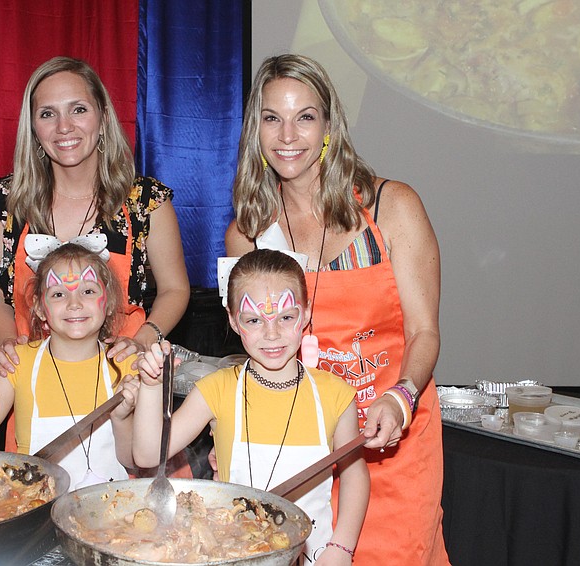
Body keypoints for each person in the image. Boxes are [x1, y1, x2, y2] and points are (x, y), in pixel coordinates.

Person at [224, 54, 448, 564]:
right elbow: (257, 351)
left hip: (391, 435)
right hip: (299, 447)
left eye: (305, 116)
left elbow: (425, 332)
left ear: (329, 126)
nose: (288, 135)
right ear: (254, 129)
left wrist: (403, 397)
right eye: (271, 117)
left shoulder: (393, 208)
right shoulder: (247, 236)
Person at [0, 56, 189, 453]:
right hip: (37, 389)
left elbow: (176, 289)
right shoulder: (8, 204)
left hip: (123, 387)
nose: (64, 127)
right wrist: (11, 351)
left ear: (103, 115)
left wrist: (143, 341)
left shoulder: (146, 202)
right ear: (33, 126)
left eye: (78, 109)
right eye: (47, 114)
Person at [133, 249, 370, 565]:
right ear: (232, 319)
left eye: (286, 317)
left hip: (314, 555)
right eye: (254, 320)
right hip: (233, 555)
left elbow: (355, 474)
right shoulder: (217, 389)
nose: (272, 334)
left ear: (307, 313)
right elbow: (148, 454)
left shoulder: (336, 395)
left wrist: (341, 548)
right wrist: (151, 387)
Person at [0, 244, 140, 490]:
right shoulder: (18, 362)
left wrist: (123, 418)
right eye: (59, 294)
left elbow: (133, 460)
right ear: (40, 307)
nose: (74, 303)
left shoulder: (125, 364)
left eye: (88, 291)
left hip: (109, 511)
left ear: (107, 303)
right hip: (37, 510)